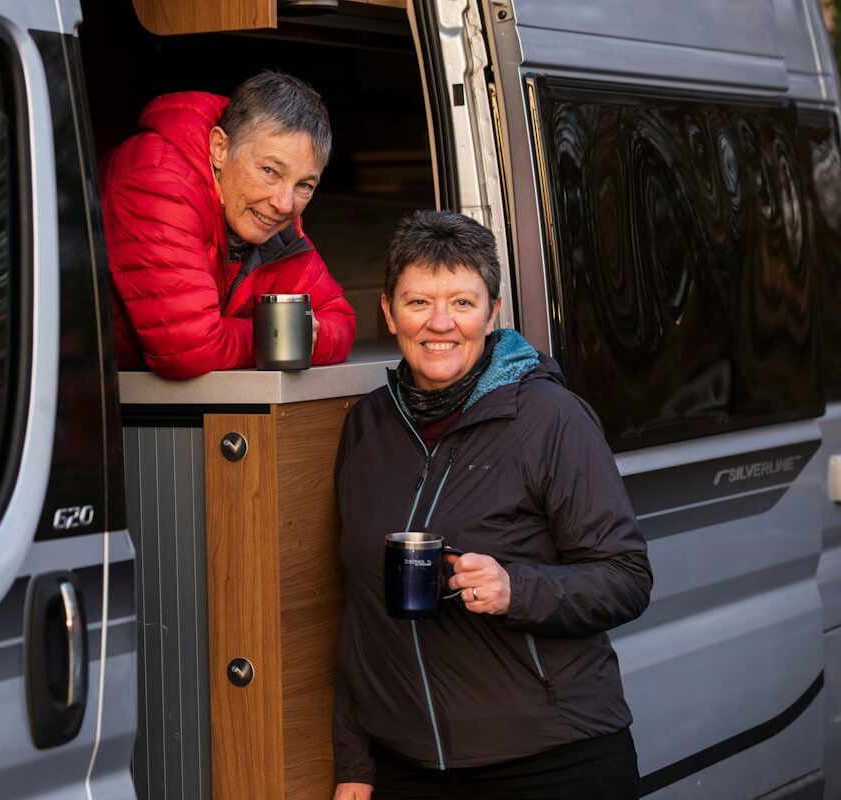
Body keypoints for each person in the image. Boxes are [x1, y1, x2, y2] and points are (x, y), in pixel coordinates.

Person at [332, 210, 652, 799]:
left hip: (550, 760)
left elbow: (626, 578)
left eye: (461, 302)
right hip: (408, 768)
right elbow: (359, 614)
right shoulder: (366, 427)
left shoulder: (550, 419)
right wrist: (355, 761)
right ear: (387, 311)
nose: (439, 324)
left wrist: (516, 589)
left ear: (493, 311)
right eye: (418, 302)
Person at [99, 71, 355, 379]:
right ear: (220, 148)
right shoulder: (159, 182)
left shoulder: (266, 214)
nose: (285, 204)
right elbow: (189, 350)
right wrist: (279, 334)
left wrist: (301, 335)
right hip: (59, 401)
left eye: (304, 185)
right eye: (270, 171)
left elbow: (340, 319)